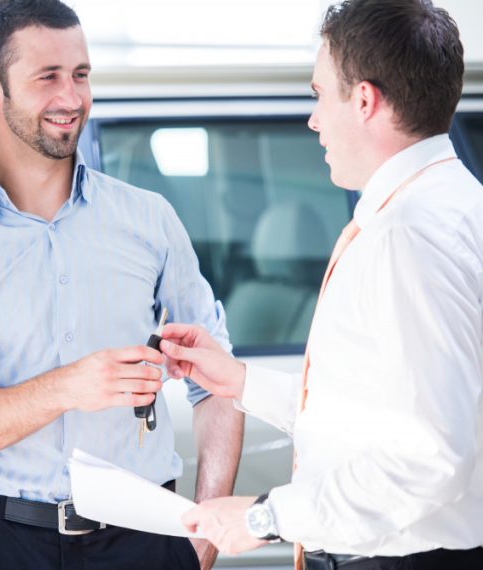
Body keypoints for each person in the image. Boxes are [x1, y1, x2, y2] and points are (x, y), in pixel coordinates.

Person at [0, 1, 243, 569]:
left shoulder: (148, 219)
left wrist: (203, 537)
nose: (71, 97)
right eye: (47, 77)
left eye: (80, 75)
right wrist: (69, 386)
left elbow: (219, 382)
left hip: (146, 541)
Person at [158, 1, 483, 568]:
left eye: (318, 94)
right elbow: (374, 414)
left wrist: (265, 517)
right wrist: (239, 382)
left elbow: (429, 455)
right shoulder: (452, 207)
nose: (313, 119)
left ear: (363, 100)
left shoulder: (406, 235)